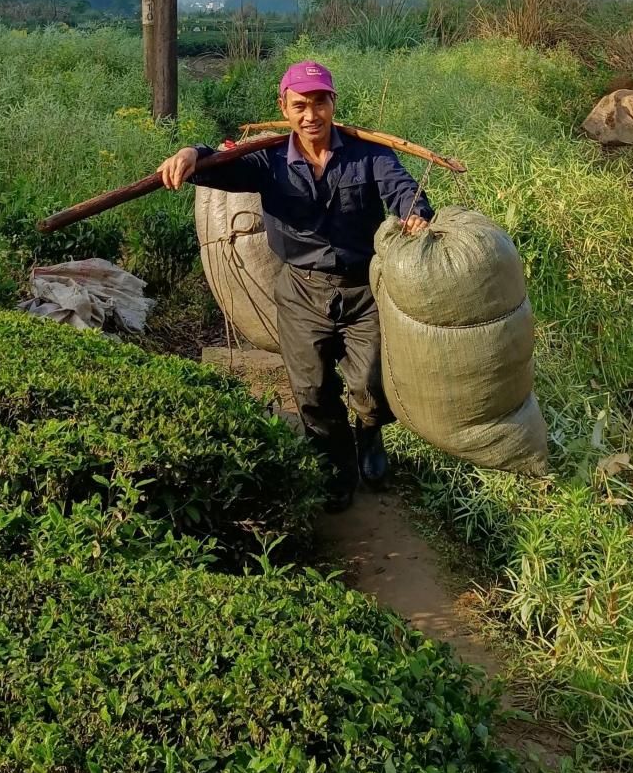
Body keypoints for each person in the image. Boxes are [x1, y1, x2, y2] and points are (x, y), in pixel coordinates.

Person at [158, 60, 432, 511]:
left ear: (332, 104)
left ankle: (369, 432)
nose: (311, 116)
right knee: (311, 390)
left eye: (319, 103)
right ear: (284, 107)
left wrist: (414, 212)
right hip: (302, 291)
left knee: (372, 380)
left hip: (364, 287)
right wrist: (191, 153)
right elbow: (217, 167)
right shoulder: (267, 160)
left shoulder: (370, 155)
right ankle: (335, 464)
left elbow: (402, 189)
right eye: (300, 105)